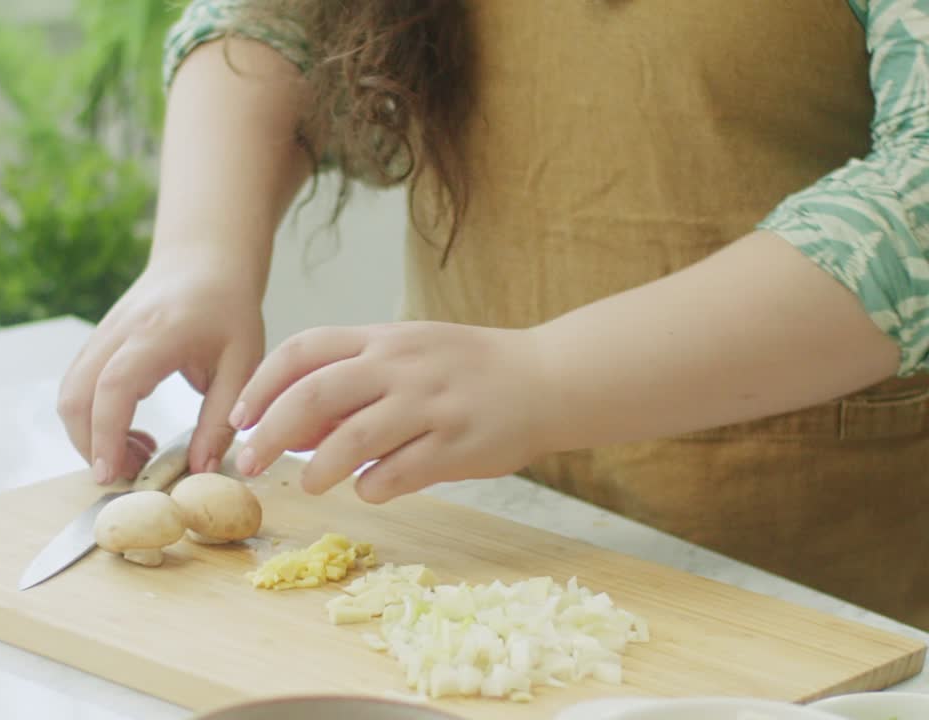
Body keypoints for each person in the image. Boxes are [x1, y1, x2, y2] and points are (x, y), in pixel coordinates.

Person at [56, 0, 929, 631]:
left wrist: (546, 378)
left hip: (801, 586)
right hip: (467, 546)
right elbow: (278, 19)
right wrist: (199, 251)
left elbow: (918, 194)